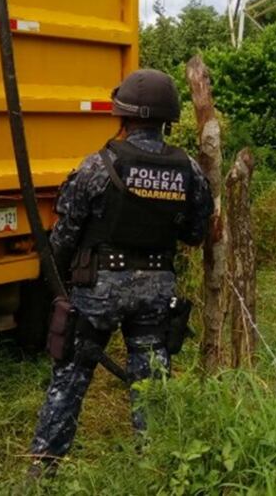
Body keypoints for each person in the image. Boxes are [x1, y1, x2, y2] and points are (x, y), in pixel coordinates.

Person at [27, 68, 214, 476]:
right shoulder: (189, 171)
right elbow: (196, 234)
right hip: (157, 292)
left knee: (70, 381)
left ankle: (43, 472)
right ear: (169, 118)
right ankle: (159, 471)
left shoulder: (96, 166)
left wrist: (53, 289)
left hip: (96, 291)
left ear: (122, 116)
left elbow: (64, 236)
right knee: (151, 385)